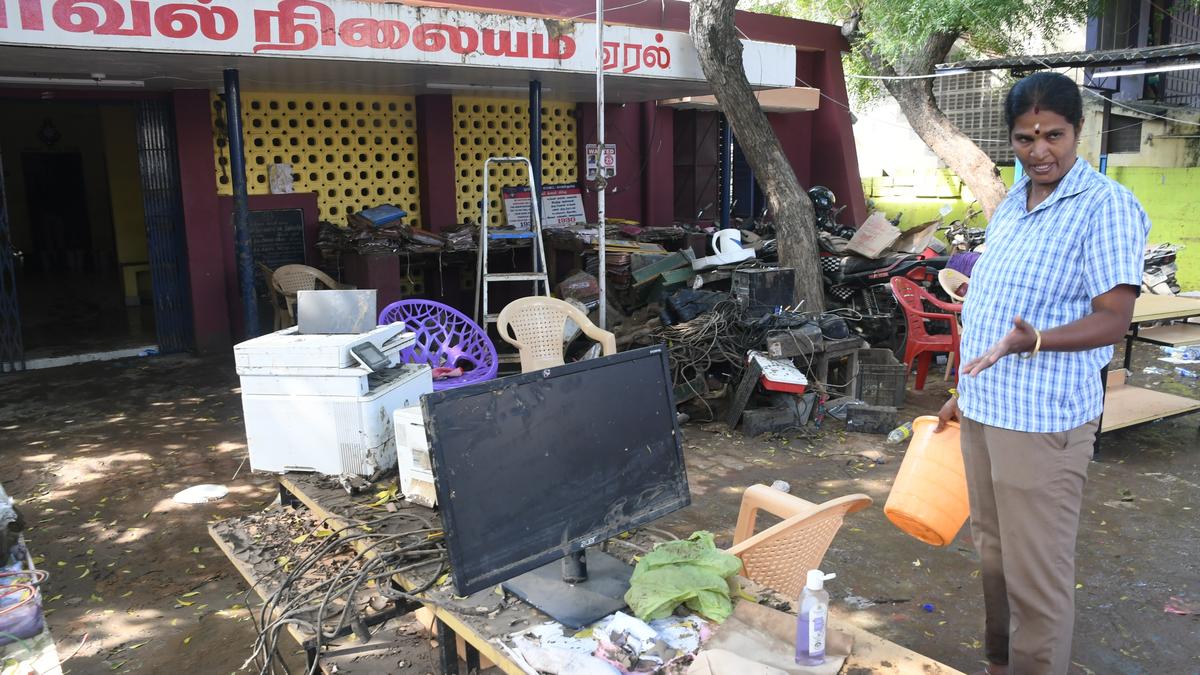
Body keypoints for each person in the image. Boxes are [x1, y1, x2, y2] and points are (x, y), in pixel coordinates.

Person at [935, 72, 1150, 675]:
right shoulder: (1010, 208)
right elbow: (986, 307)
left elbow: (1113, 319)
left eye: (1054, 135)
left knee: (1037, 575)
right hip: (985, 409)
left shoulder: (1106, 207)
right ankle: (1000, 665)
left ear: (1077, 130)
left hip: (1042, 420)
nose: (1041, 151)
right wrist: (961, 391)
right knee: (996, 559)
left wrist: (1038, 340)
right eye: (1026, 139)